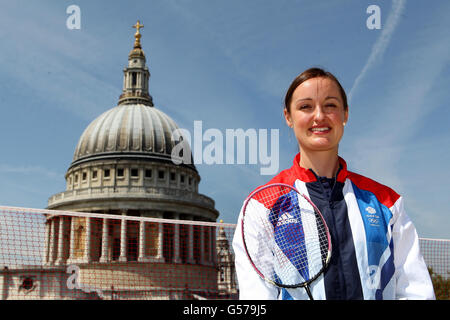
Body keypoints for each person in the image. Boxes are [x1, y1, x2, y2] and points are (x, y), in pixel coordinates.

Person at [232, 67, 435, 300]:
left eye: (330, 105)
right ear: (288, 117)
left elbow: (416, 292)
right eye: (306, 106)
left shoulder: (387, 202)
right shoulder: (261, 206)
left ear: (345, 114)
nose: (319, 116)